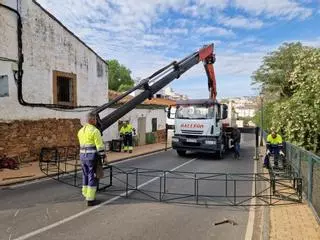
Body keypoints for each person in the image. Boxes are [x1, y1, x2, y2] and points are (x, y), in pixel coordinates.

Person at [78, 112, 105, 206]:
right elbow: (100, 147)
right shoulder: (95, 131)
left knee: (85, 175)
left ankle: (85, 193)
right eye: (95, 119)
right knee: (92, 176)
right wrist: (103, 157)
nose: (96, 121)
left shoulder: (81, 131)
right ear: (93, 120)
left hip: (82, 157)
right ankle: (90, 199)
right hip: (91, 157)